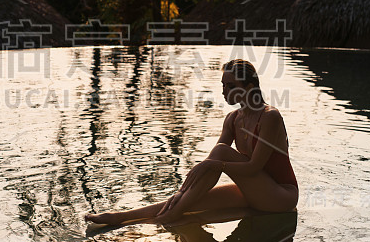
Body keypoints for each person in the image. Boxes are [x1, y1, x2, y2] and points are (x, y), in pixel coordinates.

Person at [84, 59, 299, 226]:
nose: (224, 91)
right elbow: (212, 163)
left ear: (250, 86)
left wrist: (212, 165)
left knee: (220, 154)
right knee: (189, 202)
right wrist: (182, 191)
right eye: (223, 85)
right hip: (252, 192)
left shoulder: (269, 117)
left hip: (280, 197)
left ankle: (166, 219)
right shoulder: (233, 119)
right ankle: (120, 217)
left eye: (231, 86)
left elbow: (252, 167)